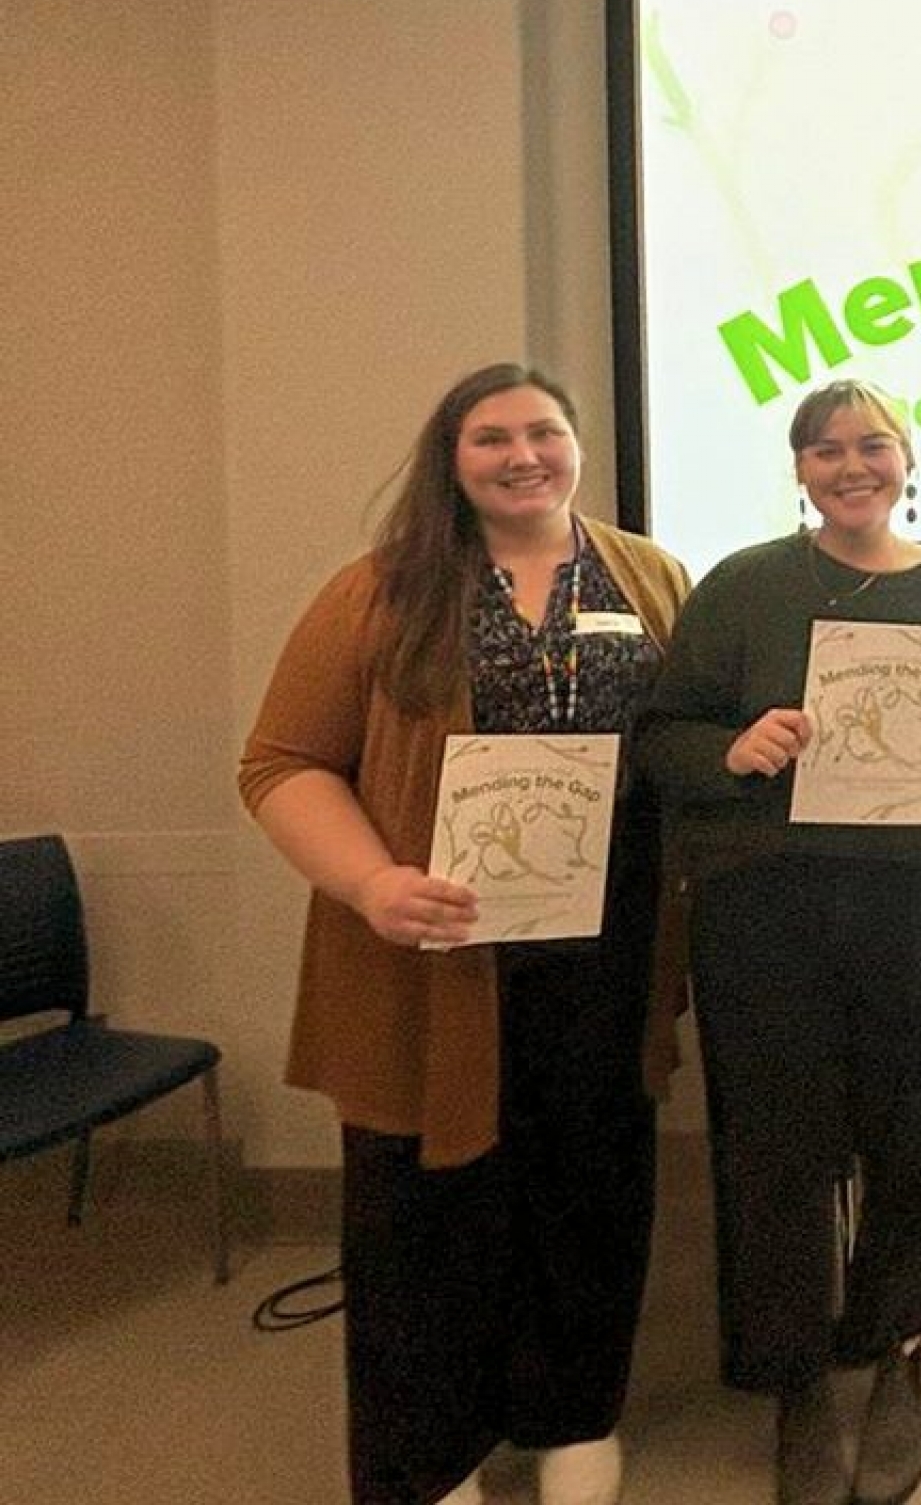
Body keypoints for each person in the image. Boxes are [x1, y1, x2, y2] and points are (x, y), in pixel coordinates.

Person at [239, 363, 691, 1505]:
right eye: (491, 437)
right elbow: (282, 765)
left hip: (607, 961)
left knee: (591, 1194)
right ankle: (428, 1458)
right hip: (433, 961)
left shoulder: (651, 577)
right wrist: (372, 884)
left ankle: (573, 1419)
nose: (522, 454)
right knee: (424, 1223)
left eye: (544, 431)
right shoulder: (377, 593)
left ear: (579, 446)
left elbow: (692, 745)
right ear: (452, 460)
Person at [636, 378, 921, 1505]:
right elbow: (661, 739)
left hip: (917, 900)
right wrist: (735, 749)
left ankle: (897, 1348)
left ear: (908, 462)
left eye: (871, 446)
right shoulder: (744, 587)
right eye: (825, 450)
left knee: (909, 1127)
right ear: (800, 470)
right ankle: (794, 1377)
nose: (849, 466)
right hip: (763, 903)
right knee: (773, 1140)